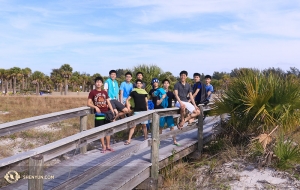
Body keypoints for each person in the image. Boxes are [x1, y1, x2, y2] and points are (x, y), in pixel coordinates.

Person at [87, 76, 115, 153]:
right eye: (97, 82)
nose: (98, 83)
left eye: (100, 82)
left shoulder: (104, 92)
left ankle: (108, 145)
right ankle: (103, 146)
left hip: (106, 112)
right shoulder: (92, 92)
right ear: (95, 83)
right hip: (99, 114)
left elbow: (108, 102)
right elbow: (88, 103)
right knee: (100, 130)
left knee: (108, 130)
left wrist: (112, 111)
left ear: (102, 83)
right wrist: (95, 107)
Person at [125, 79, 148, 145]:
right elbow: (127, 100)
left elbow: (146, 101)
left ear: (142, 84)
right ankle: (129, 140)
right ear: (136, 84)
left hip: (144, 111)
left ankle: (146, 138)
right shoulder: (133, 91)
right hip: (136, 110)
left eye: (140, 83)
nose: (138, 84)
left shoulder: (144, 92)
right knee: (133, 126)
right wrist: (128, 108)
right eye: (137, 83)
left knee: (144, 125)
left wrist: (147, 109)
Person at [157, 79, 179, 146]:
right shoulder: (159, 93)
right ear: (163, 84)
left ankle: (175, 141)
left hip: (169, 112)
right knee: (160, 127)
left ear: (169, 84)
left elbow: (176, 100)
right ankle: (158, 142)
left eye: (167, 83)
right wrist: (162, 98)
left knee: (172, 127)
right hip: (162, 112)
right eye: (164, 83)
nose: (166, 84)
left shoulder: (171, 93)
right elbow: (157, 103)